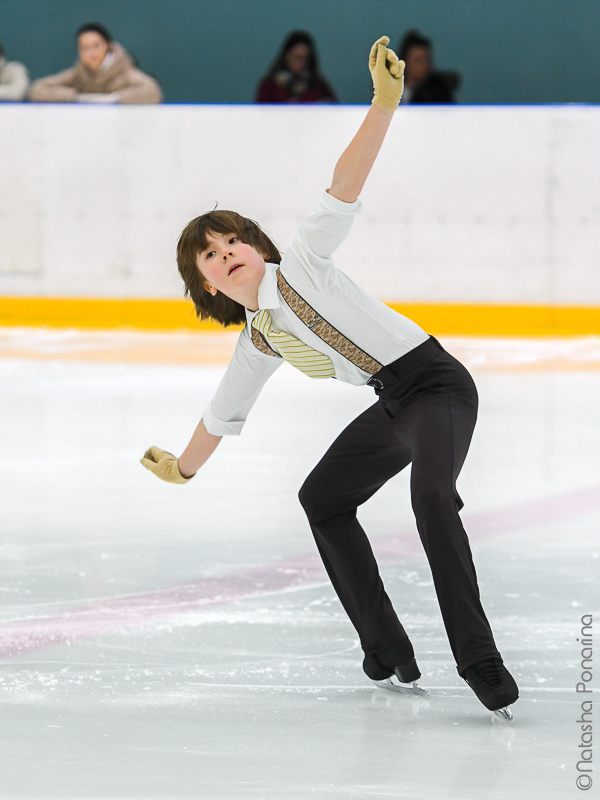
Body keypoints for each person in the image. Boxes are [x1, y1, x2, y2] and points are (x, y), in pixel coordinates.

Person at [141, 36, 518, 718]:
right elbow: (223, 411)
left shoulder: (306, 262)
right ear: (204, 283)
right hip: (392, 402)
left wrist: (383, 103)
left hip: (435, 384)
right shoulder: (259, 337)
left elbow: (344, 183)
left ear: (257, 246)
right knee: (323, 498)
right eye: (210, 255)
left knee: (432, 499)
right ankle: (386, 645)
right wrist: (182, 469)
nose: (227, 254)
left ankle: (480, 659)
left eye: (233, 241)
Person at [28, 22, 162, 104]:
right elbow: (37, 89)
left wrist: (114, 98)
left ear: (107, 46)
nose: (91, 53)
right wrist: (77, 97)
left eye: (96, 46)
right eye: (85, 48)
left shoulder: (123, 70)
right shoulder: (78, 73)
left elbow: (152, 91)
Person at [255, 30, 337, 104]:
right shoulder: (269, 87)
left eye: (304, 58)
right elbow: (260, 115)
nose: (299, 62)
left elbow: (332, 110)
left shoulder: (319, 87)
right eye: (295, 56)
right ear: (286, 55)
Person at [398, 29, 459, 104]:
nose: (423, 64)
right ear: (404, 61)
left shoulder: (438, 92)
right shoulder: (390, 87)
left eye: (426, 59)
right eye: (417, 60)